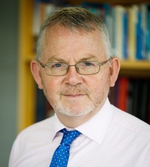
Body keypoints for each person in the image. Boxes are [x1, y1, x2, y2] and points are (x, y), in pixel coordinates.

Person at [9, 7, 150, 167]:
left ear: (112, 72)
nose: (73, 79)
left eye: (88, 64)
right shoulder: (24, 142)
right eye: (58, 65)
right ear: (38, 74)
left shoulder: (145, 149)